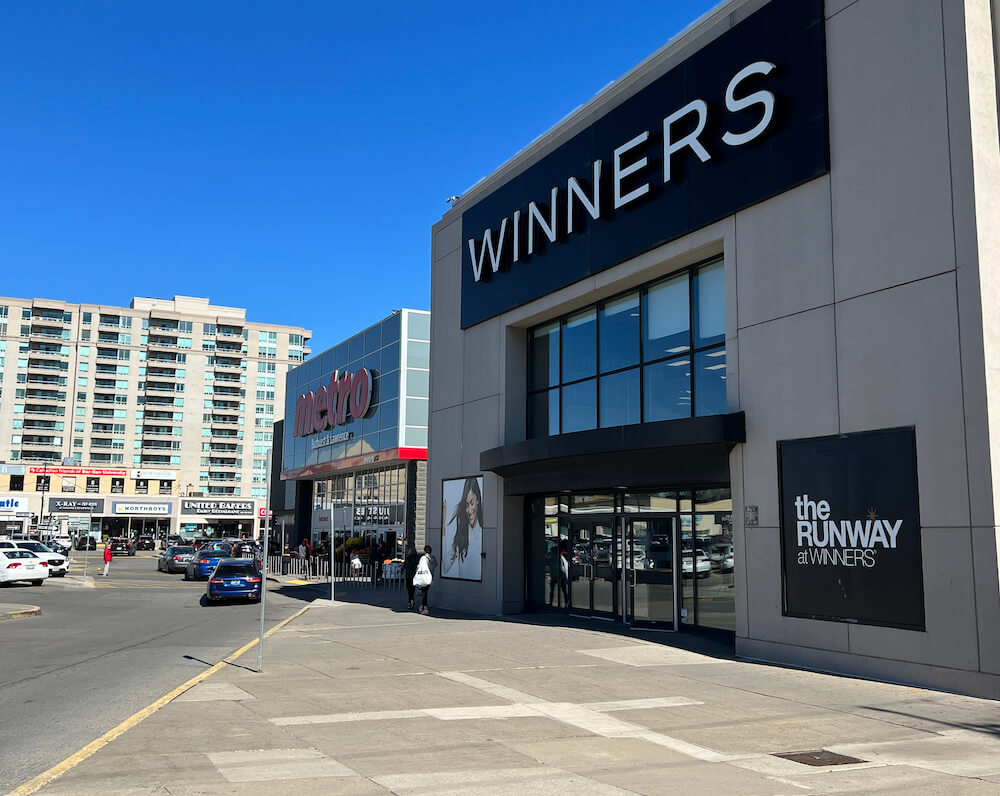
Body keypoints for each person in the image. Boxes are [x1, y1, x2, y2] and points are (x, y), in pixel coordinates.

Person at [443, 477, 483, 580]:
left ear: (478, 500)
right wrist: (443, 522)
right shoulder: (462, 536)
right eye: (466, 505)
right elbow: (446, 566)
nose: (469, 510)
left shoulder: (485, 534)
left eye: (472, 503)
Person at [548, 538, 569, 607]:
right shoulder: (557, 558)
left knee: (559, 590)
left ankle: (565, 602)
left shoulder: (557, 558)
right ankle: (565, 602)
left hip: (558, 576)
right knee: (561, 590)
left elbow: (562, 568)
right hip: (557, 576)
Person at [417, 544, 437, 615]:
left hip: (424, 577)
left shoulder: (423, 558)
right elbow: (435, 566)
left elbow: (419, 567)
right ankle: (423, 606)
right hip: (430, 577)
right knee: (425, 592)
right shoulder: (433, 558)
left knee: (424, 593)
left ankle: (425, 607)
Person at [403, 544, 421, 610]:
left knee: (410, 589)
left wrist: (402, 570)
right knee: (411, 589)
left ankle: (410, 601)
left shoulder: (410, 558)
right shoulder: (413, 558)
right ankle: (411, 600)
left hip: (410, 575)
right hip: (412, 575)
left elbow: (406, 565)